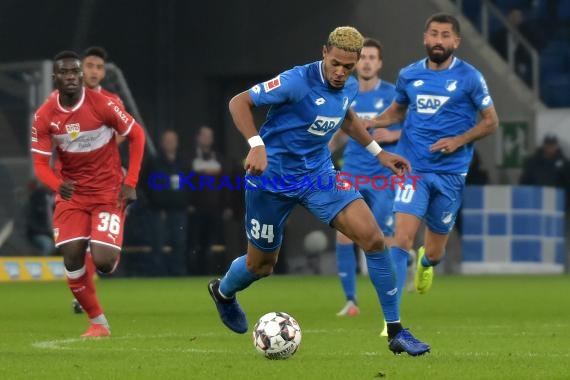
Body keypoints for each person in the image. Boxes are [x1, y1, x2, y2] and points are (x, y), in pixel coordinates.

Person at [207, 26, 430, 356]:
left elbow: (346, 117)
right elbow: (239, 102)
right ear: (325, 51)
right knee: (261, 265)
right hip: (271, 179)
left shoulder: (348, 86)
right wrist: (256, 145)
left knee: (373, 238)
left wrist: (379, 154)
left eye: (348, 67)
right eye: (336, 64)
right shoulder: (296, 81)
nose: (341, 73)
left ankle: (395, 331)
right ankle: (223, 292)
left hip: (318, 176)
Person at [367, 14, 499, 302]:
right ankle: (392, 318)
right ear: (425, 38)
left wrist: (459, 140)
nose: (439, 41)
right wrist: (371, 122)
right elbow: (397, 112)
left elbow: (491, 122)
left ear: (456, 41)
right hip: (412, 167)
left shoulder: (471, 78)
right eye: (434, 34)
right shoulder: (409, 75)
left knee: (436, 251)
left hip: (451, 173)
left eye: (445, 35)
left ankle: (427, 263)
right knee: (401, 239)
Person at [31, 50, 145, 337]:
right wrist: (58, 185)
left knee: (104, 263)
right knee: (71, 257)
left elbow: (137, 135)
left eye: (75, 72)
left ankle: (107, 244)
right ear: (55, 78)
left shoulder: (104, 103)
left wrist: (130, 180)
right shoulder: (45, 115)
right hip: (73, 196)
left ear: (81, 76)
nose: (71, 77)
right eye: (64, 72)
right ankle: (98, 323)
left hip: (108, 192)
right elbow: (40, 165)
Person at [328, 38, 410, 323]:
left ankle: (393, 296)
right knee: (342, 233)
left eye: (372, 57)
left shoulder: (392, 94)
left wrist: (394, 135)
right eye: (362, 57)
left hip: (382, 177)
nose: (366, 62)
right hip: (351, 172)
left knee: (384, 239)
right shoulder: (346, 91)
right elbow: (340, 130)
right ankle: (351, 300)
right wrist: (322, 149)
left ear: (380, 63)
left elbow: (415, 129)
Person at [187, 126, 233, 275]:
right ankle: (193, 272)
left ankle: (210, 272)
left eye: (209, 136)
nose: (207, 139)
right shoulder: (189, 158)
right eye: (204, 136)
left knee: (211, 244)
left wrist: (226, 205)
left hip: (215, 210)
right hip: (195, 210)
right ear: (198, 138)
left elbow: (226, 184)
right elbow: (185, 183)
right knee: (195, 243)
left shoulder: (219, 159)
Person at [142, 130, 188, 276]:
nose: (170, 143)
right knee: (157, 242)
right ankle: (157, 273)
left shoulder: (182, 162)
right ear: (162, 143)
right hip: (157, 211)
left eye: (173, 140)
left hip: (179, 210)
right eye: (167, 141)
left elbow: (190, 184)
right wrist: (151, 204)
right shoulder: (153, 161)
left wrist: (187, 203)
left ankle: (178, 272)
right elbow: (143, 184)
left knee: (179, 242)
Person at [520, 133, 570, 208]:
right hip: (536, 202)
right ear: (544, 145)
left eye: (552, 145)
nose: (550, 148)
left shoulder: (564, 164)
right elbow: (524, 182)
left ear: (556, 145)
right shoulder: (533, 162)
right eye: (548, 145)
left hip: (557, 204)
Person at [25, 179, 56, 256]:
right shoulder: (36, 197)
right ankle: (43, 267)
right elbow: (31, 220)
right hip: (39, 233)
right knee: (47, 245)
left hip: (57, 233)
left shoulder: (61, 198)